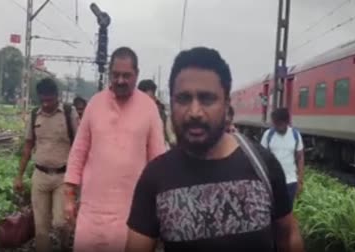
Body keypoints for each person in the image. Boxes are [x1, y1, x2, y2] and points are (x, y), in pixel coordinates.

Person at [125, 47, 304, 252]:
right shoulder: (154, 178)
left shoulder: (263, 165)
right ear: (171, 103)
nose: (194, 112)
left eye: (207, 99)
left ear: (227, 104)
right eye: (183, 99)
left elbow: (288, 237)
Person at [63, 46, 166, 252]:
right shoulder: (95, 104)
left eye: (126, 75)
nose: (120, 80)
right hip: (91, 213)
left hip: (131, 215)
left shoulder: (149, 108)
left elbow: (158, 162)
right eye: (116, 75)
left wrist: (159, 208)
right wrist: (69, 196)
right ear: (110, 73)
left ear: (136, 74)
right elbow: (78, 151)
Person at [14, 78, 79, 252]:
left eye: (49, 100)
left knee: (60, 222)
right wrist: (19, 176)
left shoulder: (68, 113)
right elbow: (28, 146)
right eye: (43, 100)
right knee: (40, 227)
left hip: (63, 177)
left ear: (57, 96)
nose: (46, 104)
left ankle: (66, 244)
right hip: (40, 176)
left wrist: (80, 175)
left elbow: (79, 146)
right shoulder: (35, 115)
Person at [260, 108, 305, 208]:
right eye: (275, 124)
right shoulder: (268, 135)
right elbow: (261, 158)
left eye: (280, 124)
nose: (278, 127)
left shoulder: (295, 135)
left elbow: (300, 158)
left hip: (290, 182)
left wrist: (300, 181)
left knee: (287, 211)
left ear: (287, 122)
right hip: (272, 182)